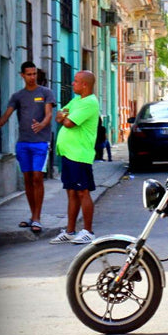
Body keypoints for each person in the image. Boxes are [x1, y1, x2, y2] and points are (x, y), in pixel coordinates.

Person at [0, 61, 55, 234]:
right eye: (29, 74)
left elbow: (49, 113)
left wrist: (42, 125)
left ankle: (37, 218)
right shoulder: (18, 96)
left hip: (40, 143)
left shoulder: (45, 93)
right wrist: (0, 122)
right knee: (28, 178)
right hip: (23, 143)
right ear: (22, 75)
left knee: (37, 177)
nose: (32, 77)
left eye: (34, 74)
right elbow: (8, 112)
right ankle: (32, 216)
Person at [50, 70, 100, 244]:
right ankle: (70, 231)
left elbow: (69, 123)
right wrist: (64, 115)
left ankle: (88, 231)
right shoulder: (76, 100)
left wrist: (65, 116)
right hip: (68, 154)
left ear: (85, 85)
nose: (72, 83)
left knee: (82, 192)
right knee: (71, 192)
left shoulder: (90, 102)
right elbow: (59, 115)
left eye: (76, 81)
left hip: (80, 154)